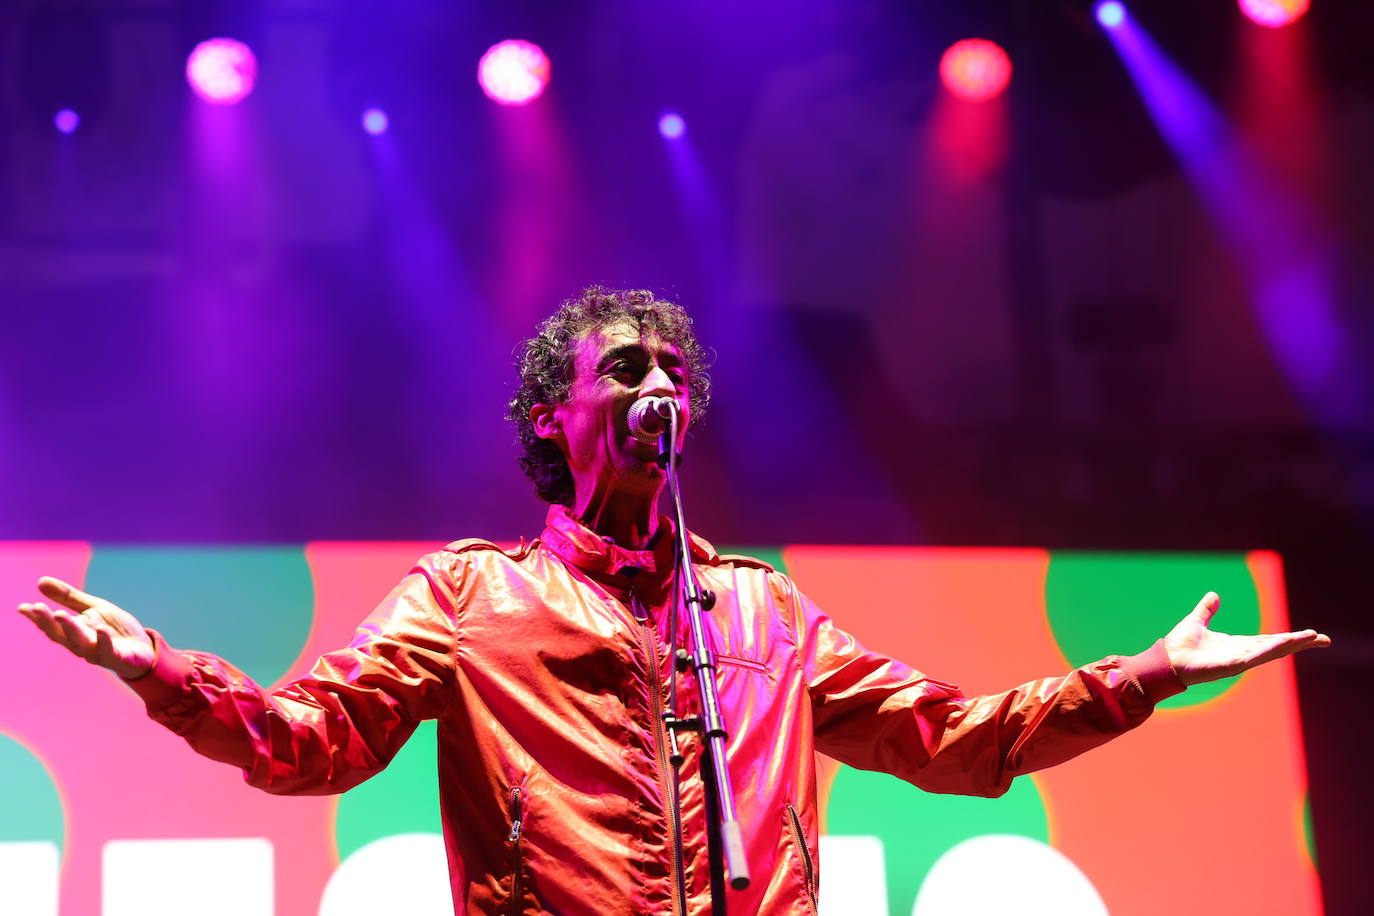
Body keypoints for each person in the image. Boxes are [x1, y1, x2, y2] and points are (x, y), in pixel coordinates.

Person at [17, 287, 1330, 915]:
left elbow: (952, 741)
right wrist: (155, 667)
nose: (659, 386)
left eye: (673, 374)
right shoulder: (471, 596)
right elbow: (310, 746)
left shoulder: (766, 616)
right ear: (554, 416)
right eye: (626, 369)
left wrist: (1141, 676)